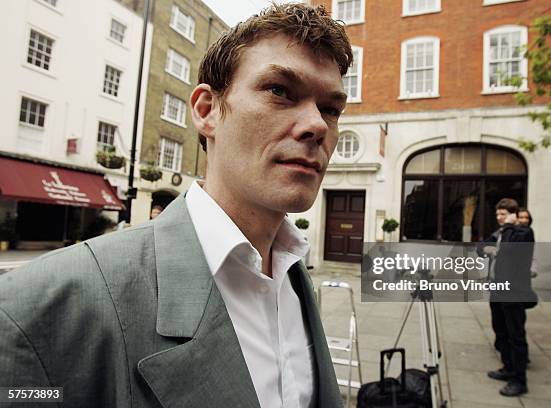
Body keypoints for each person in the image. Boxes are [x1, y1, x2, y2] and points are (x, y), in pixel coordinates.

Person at [0, 4, 351, 407]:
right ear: (207, 111)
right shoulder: (39, 309)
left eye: (331, 108)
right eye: (279, 91)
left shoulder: (293, 277)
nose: (318, 126)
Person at [480, 198, 534, 397]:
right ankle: (508, 367)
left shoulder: (523, 233)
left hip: (514, 291)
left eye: (503, 214)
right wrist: (487, 248)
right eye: (497, 214)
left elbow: (511, 250)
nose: (499, 218)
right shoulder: (500, 233)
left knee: (515, 335)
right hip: (497, 288)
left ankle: (519, 380)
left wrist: (510, 225)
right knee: (500, 330)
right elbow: (482, 246)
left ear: (513, 214)